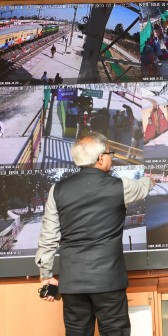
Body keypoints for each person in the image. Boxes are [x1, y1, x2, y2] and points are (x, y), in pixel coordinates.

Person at [35, 132, 155, 335]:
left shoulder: (57, 189)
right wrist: (150, 180)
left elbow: (48, 237)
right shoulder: (120, 186)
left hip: (72, 284)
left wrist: (46, 276)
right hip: (108, 281)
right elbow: (143, 187)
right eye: (110, 153)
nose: (111, 157)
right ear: (100, 158)